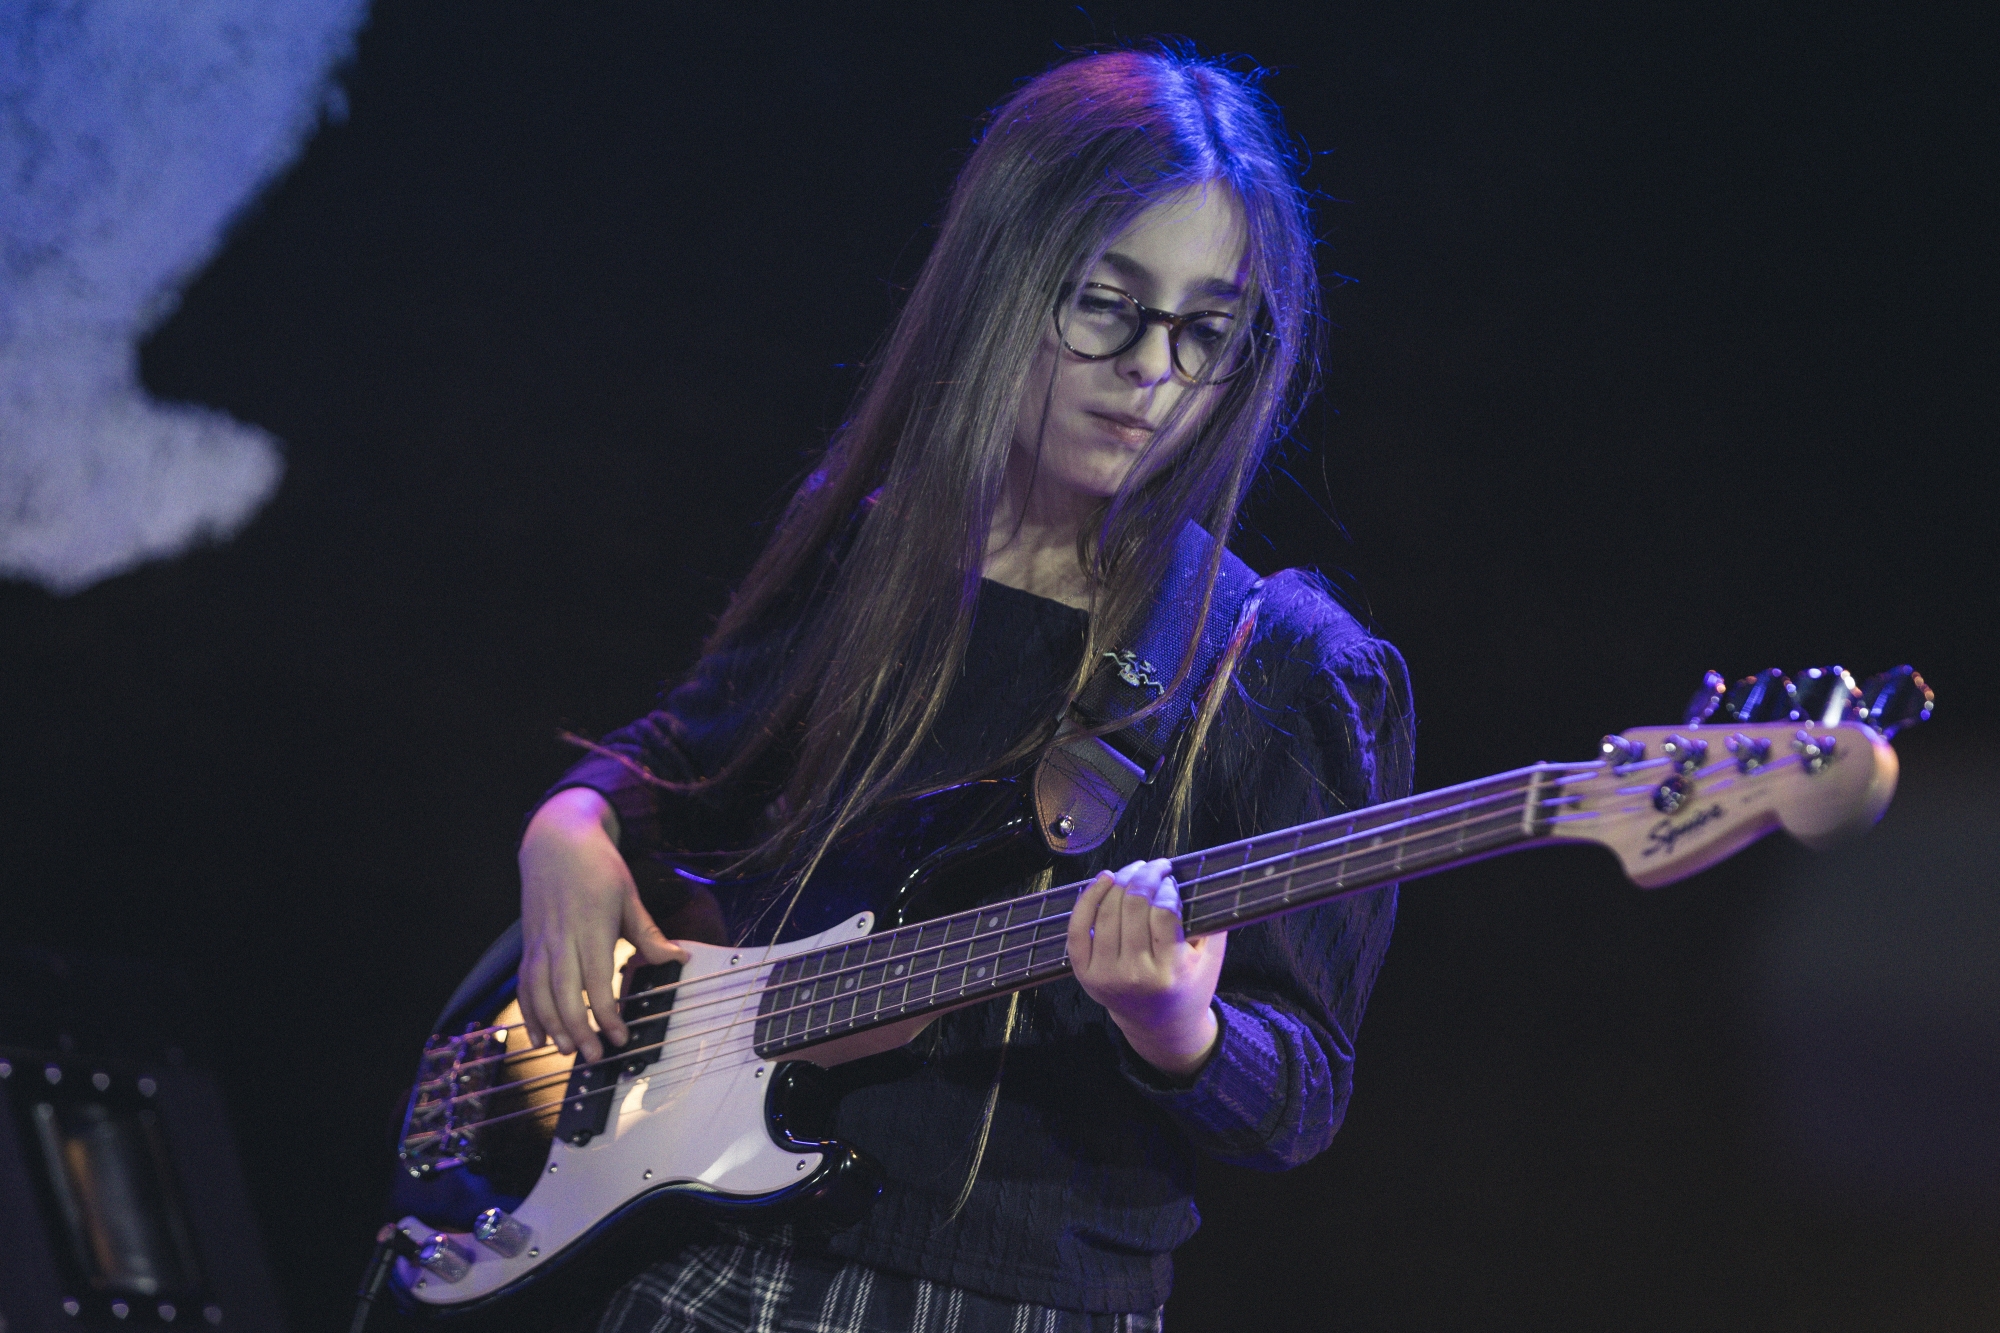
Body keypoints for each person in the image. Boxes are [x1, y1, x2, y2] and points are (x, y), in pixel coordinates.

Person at [514, 45, 1412, 1333]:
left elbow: (1303, 1093)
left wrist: (1177, 1027)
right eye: (1105, 303)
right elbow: (684, 759)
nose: (1153, 369)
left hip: (1022, 1299)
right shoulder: (875, 549)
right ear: (1001, 284)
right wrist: (572, 823)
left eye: (1207, 332)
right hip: (715, 1260)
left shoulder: (1284, 667)